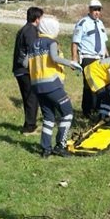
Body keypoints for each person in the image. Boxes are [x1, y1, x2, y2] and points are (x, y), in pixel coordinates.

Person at [28, 15, 82, 158]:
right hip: (52, 85)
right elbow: (54, 58)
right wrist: (71, 63)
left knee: (48, 117)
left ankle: (46, 149)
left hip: (37, 86)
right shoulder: (51, 42)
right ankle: (60, 145)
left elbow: (24, 63)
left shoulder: (33, 43)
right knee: (68, 112)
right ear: (51, 29)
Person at [71, 0, 109, 116]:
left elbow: (104, 42)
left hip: (100, 58)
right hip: (88, 57)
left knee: (101, 84)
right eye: (94, 10)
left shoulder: (100, 23)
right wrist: (74, 58)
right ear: (90, 10)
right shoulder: (82, 23)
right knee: (90, 84)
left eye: (99, 10)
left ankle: (97, 108)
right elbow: (75, 42)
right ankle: (87, 110)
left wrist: (107, 56)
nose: (97, 12)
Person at [12, 6, 43, 134]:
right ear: (37, 18)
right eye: (41, 18)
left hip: (20, 69)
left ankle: (28, 124)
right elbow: (33, 50)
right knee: (32, 98)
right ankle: (30, 127)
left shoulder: (23, 29)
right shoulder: (31, 31)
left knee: (28, 98)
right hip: (25, 70)